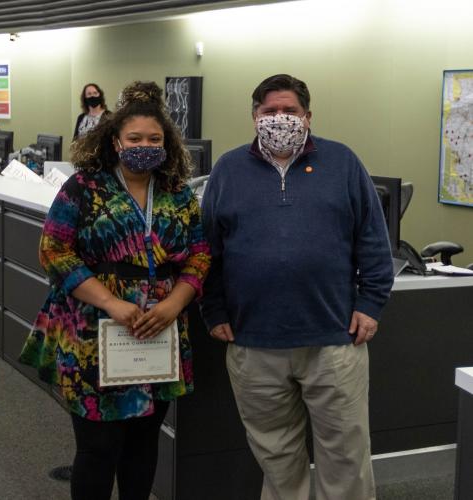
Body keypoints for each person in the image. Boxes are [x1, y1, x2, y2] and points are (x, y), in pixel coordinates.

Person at [200, 74, 394, 500]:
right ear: (254, 116)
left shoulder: (343, 163)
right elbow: (207, 250)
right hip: (253, 341)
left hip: (334, 339)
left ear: (307, 116)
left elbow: (374, 240)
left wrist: (371, 303)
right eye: (270, 111)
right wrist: (213, 310)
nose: (279, 118)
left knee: (345, 455)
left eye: (289, 111)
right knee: (276, 454)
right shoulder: (228, 170)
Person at [20, 80, 211, 500]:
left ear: (166, 143)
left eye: (154, 139)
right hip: (94, 328)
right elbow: (53, 250)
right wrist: (111, 302)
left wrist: (175, 303)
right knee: (99, 447)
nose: (145, 146)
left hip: (159, 329)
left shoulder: (178, 194)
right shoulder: (84, 187)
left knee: (143, 443)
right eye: (135, 138)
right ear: (115, 142)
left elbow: (199, 255)